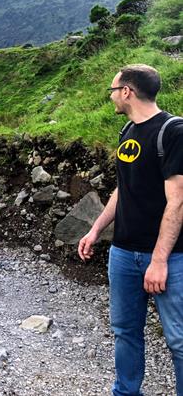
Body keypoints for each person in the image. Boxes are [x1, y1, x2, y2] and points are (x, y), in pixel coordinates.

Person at [78, 64, 182, 396]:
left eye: (113, 90)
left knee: (179, 338)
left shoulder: (173, 131)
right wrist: (96, 229)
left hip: (169, 258)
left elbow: (177, 201)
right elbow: (123, 189)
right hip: (123, 253)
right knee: (125, 331)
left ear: (127, 91)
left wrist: (160, 260)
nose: (111, 96)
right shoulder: (127, 132)